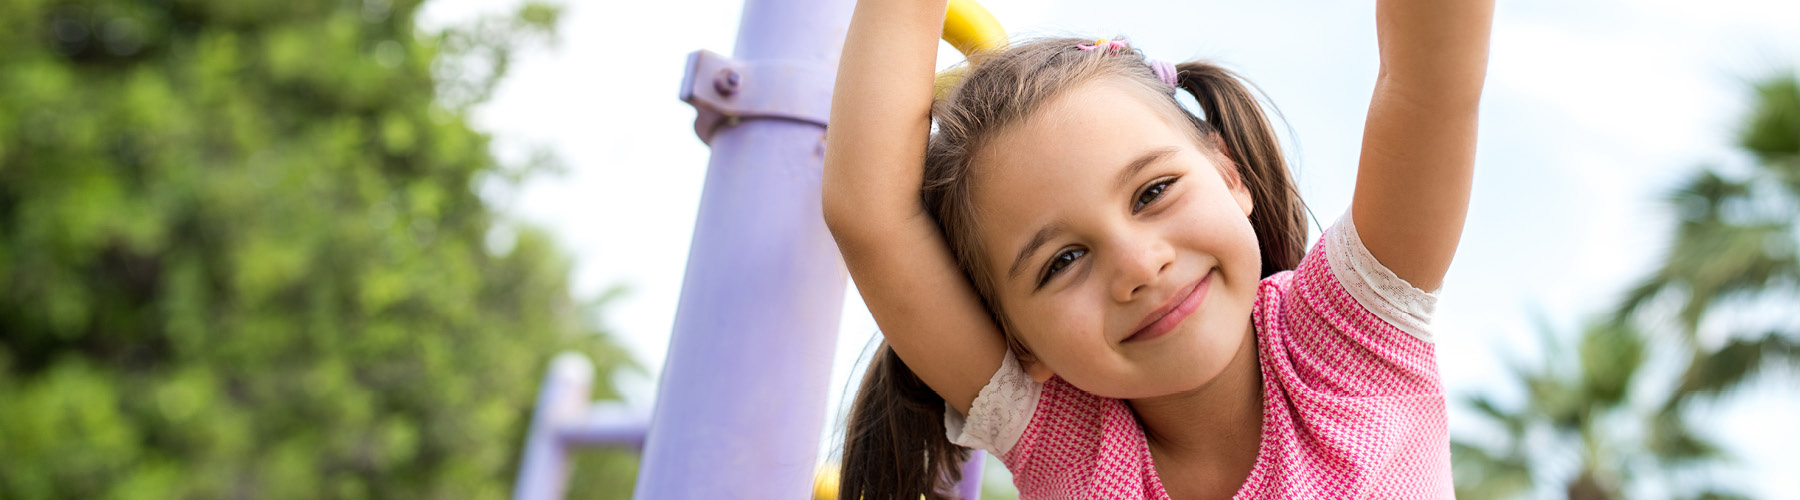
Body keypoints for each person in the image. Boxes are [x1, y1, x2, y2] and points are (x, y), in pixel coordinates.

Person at [822, 0, 1493, 497]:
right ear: (1020, 343)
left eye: (1153, 192)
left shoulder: (1347, 342)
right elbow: (873, 220)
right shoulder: (1065, 435)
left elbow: (1428, 86)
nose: (1140, 267)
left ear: (1229, 175)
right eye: (1063, 261)